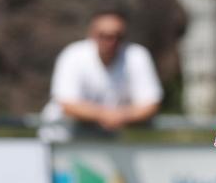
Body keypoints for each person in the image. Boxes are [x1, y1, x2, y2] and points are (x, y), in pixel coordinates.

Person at [39, 11, 162, 142]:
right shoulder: (73, 55)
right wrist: (107, 116)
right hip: (62, 138)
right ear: (92, 35)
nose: (110, 41)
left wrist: (120, 116)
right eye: (104, 35)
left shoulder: (137, 56)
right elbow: (67, 104)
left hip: (105, 139)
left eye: (117, 36)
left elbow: (150, 104)